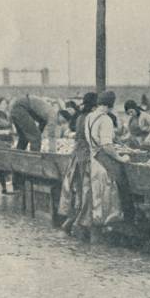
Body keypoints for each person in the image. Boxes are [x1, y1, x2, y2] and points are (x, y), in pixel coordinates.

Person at [84, 91, 130, 243]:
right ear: (111, 104)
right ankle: (115, 228)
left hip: (94, 160)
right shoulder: (106, 119)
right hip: (104, 163)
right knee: (111, 194)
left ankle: (97, 230)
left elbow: (93, 140)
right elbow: (106, 145)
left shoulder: (89, 117)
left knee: (98, 196)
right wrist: (120, 158)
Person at [59, 92, 98, 237]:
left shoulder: (80, 116)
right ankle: (78, 224)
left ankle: (72, 223)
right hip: (85, 156)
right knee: (86, 191)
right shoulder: (89, 118)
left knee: (79, 190)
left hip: (77, 155)